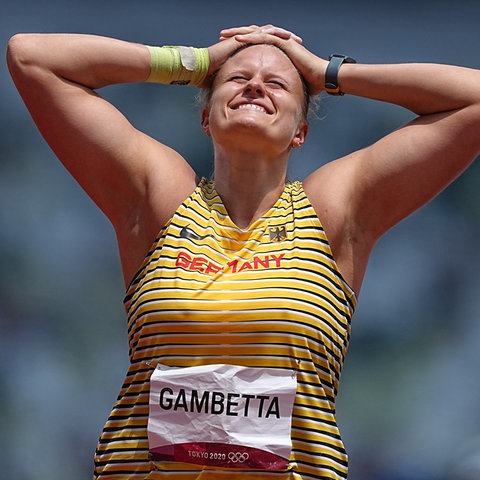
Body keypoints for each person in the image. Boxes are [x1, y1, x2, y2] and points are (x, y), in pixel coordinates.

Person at [6, 24, 480, 480]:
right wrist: (195, 62)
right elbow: (32, 56)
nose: (255, 86)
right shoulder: (163, 202)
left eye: (277, 84)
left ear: (301, 131)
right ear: (206, 116)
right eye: (237, 78)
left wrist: (326, 73)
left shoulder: (333, 213)